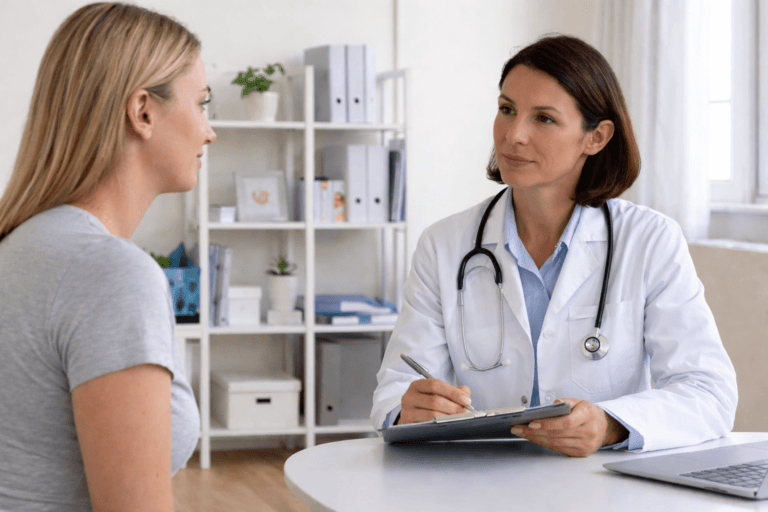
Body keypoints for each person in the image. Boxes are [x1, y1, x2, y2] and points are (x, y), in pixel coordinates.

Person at [372, 35, 737, 457]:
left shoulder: (650, 241)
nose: (513, 136)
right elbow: (397, 387)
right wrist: (408, 408)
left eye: (543, 118)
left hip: (602, 488)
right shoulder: (444, 245)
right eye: (506, 109)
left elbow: (709, 392)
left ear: (596, 138)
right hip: (479, 481)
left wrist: (610, 425)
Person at [0, 3, 216, 510]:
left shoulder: (24, 243)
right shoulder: (110, 273)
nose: (210, 130)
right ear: (142, 111)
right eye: (203, 104)